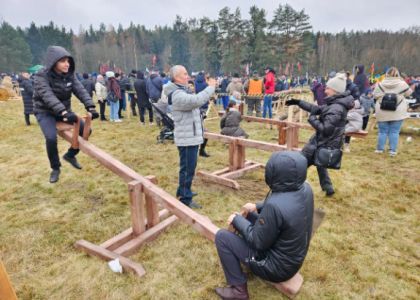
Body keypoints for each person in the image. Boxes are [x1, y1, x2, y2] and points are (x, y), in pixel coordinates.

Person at [214, 151, 314, 299]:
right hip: (293, 260)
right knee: (250, 216)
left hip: (276, 268)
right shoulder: (305, 188)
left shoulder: (275, 206)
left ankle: (238, 291)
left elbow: (258, 242)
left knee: (222, 237)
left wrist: (236, 220)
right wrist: (257, 206)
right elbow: (282, 206)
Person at [33, 46, 99, 183]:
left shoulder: (70, 75)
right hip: (45, 112)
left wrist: (91, 107)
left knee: (86, 130)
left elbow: (80, 90)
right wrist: (63, 112)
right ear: (53, 62)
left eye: (68, 61)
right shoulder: (41, 76)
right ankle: (55, 168)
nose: (67, 64)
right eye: (63, 61)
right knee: (51, 138)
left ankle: (70, 155)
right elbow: (47, 95)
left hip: (63, 110)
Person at [286, 73, 354, 196]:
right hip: (324, 143)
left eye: (327, 88)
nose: (325, 90)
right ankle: (328, 188)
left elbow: (326, 129)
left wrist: (312, 119)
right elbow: (316, 109)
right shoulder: (334, 104)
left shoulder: (336, 108)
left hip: (321, 143)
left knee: (300, 163)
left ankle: (289, 186)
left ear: (335, 90)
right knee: (320, 163)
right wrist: (298, 102)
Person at [163, 65, 216, 209]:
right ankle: (185, 198)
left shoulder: (181, 90)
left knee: (189, 168)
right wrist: (210, 87)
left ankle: (184, 191)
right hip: (187, 138)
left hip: (190, 136)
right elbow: (197, 101)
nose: (188, 76)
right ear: (176, 77)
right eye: (185, 74)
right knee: (187, 169)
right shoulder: (177, 94)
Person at [373, 67, 412, 156]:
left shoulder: (380, 84)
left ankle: (379, 149)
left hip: (382, 110)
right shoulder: (402, 84)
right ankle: (392, 151)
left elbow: (375, 96)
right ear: (397, 74)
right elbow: (409, 93)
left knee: (382, 131)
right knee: (394, 132)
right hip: (397, 111)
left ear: (386, 74)